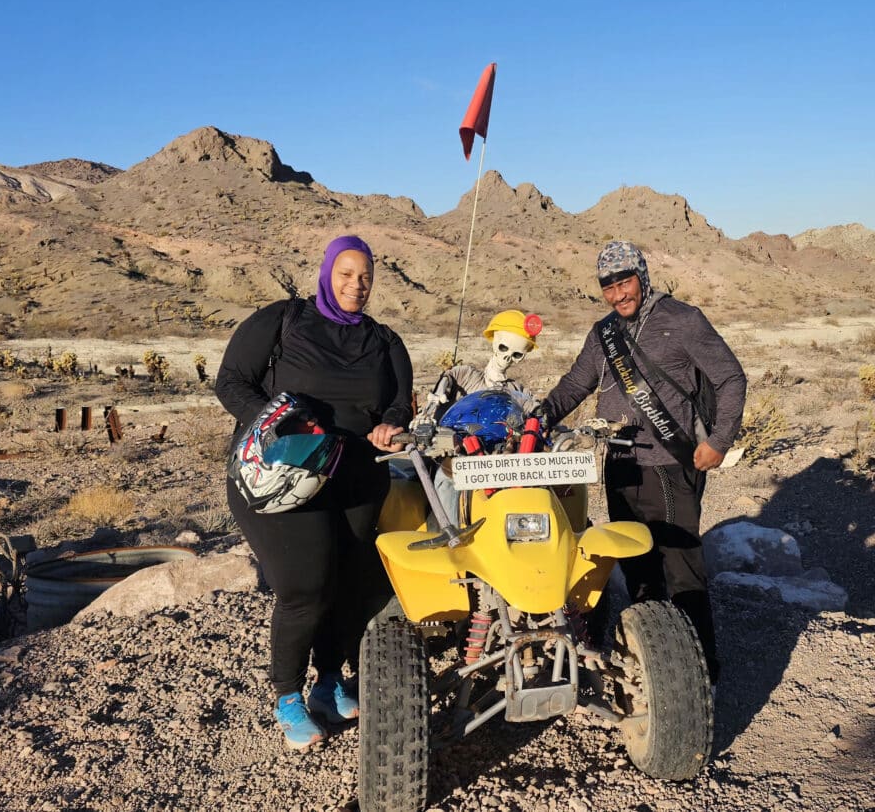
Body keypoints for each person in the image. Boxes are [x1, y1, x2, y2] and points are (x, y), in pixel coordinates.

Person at [215, 235, 413, 751]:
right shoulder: (284, 320)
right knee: (305, 585)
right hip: (282, 474)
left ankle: (327, 680)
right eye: (346, 273)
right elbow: (232, 381)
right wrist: (277, 420)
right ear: (327, 273)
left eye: (365, 275)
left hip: (357, 477)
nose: (357, 284)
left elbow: (398, 403)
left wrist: (390, 427)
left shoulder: (385, 341)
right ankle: (287, 695)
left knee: (352, 580)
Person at [541, 241, 746, 684]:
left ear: (642, 275)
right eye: (608, 287)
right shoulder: (603, 333)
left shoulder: (683, 320)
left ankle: (701, 674)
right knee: (637, 566)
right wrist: (537, 418)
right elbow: (575, 383)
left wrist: (720, 439)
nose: (618, 295)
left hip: (670, 467)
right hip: (621, 468)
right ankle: (652, 667)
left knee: (681, 568)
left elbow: (730, 377)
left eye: (625, 282)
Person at [414, 310, 543, 526]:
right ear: (494, 342)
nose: (506, 357)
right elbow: (441, 390)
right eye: (504, 348)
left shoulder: (517, 390)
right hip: (462, 455)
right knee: (447, 477)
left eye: (516, 354)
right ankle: (447, 536)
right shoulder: (465, 375)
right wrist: (428, 413)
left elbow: (538, 413)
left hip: (503, 461)